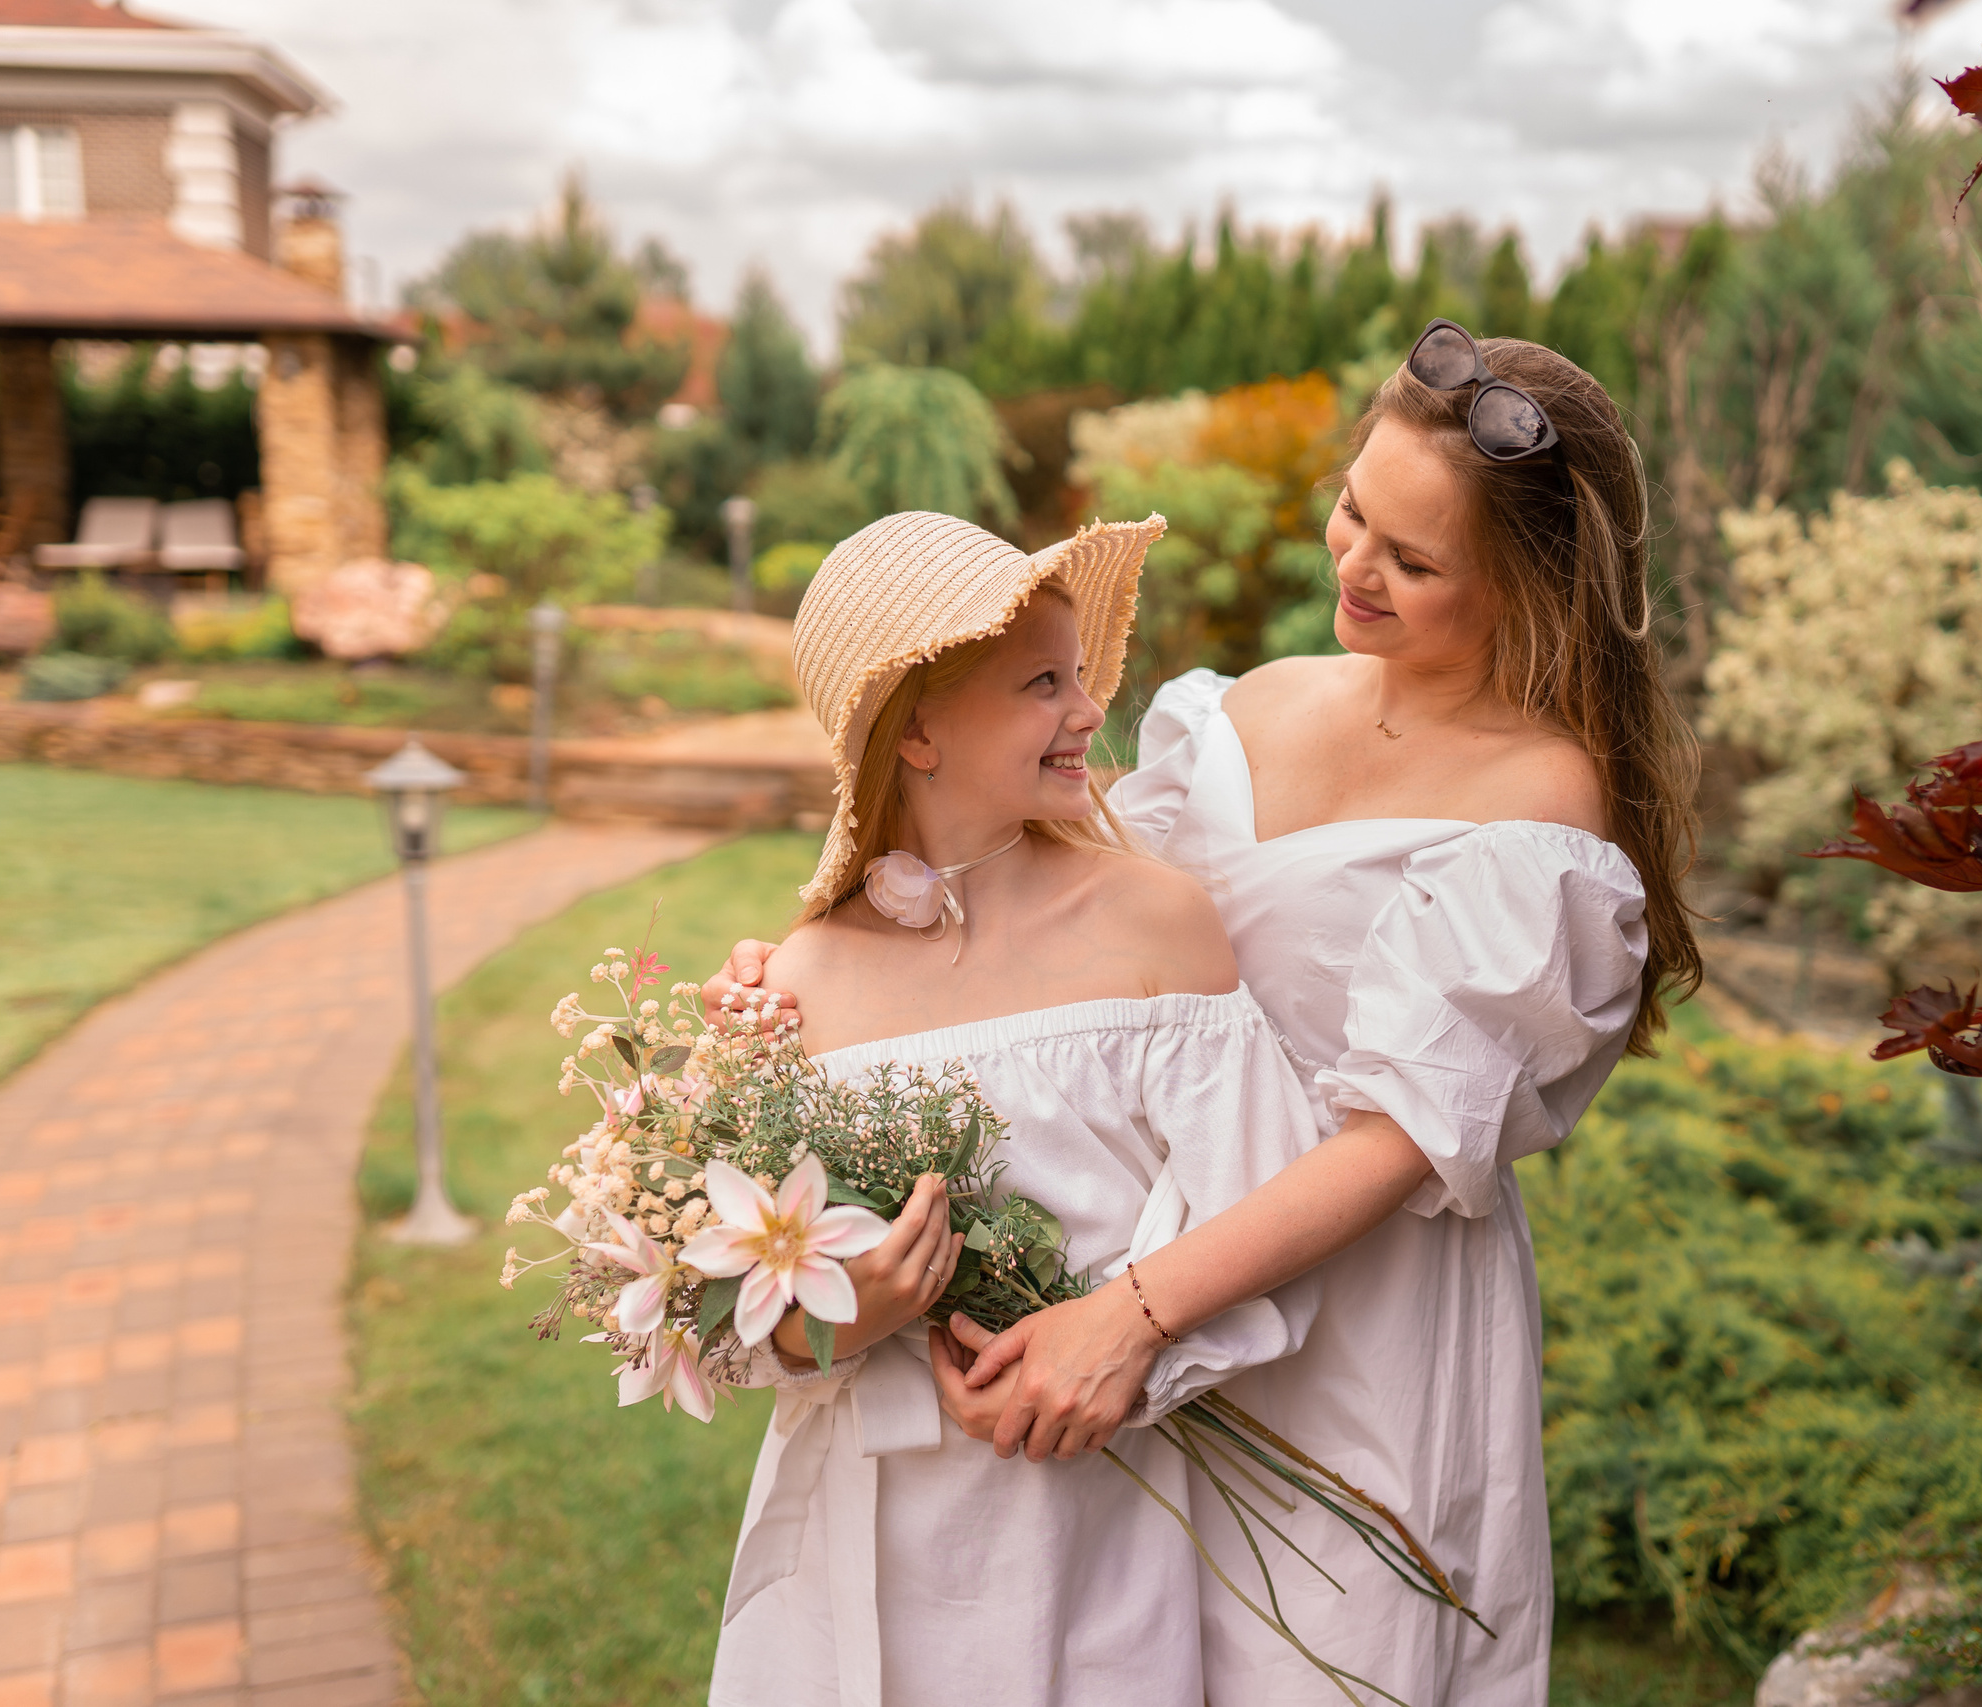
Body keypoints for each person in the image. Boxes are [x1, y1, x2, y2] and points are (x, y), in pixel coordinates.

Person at [716, 324, 1702, 1704]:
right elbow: (1038, 895)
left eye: (1415, 562)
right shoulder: (1257, 703)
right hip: (1151, 1257)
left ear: (1526, 585)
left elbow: (1398, 1139)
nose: (1355, 566)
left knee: (1331, 1658)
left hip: (1363, 1325)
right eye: (1355, 510)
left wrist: (1128, 1317)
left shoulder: (1540, 801)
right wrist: (815, 964)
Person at [705, 509, 1327, 1707]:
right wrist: (840, 1317)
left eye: (1082, 676)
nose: (1089, 712)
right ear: (918, 730)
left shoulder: (1154, 924)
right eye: (1043, 683)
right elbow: (753, 1322)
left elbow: (1255, 1211)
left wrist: (1125, 1354)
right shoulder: (801, 981)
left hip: (1089, 1512)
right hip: (862, 1542)